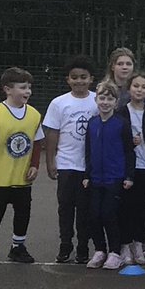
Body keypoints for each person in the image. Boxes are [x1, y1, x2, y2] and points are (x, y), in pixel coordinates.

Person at [0, 67, 45, 267]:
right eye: (23, 87)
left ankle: (18, 247)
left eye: (29, 87)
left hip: (22, 175)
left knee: (23, 211)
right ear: (7, 89)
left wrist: (35, 165)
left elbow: (37, 142)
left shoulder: (34, 115)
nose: (28, 91)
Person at [43, 55, 99, 264]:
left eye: (83, 77)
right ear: (68, 79)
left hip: (88, 166)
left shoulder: (97, 100)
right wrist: (50, 161)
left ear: (91, 79)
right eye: (74, 77)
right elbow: (52, 133)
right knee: (65, 206)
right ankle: (65, 244)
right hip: (66, 163)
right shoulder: (59, 103)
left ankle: (83, 247)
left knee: (84, 209)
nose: (79, 81)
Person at [82, 82, 135, 270]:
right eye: (102, 98)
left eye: (110, 99)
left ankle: (115, 252)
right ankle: (99, 249)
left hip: (115, 178)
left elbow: (129, 151)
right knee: (94, 215)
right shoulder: (92, 123)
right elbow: (88, 150)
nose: (105, 102)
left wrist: (129, 176)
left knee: (109, 214)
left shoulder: (121, 124)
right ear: (96, 100)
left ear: (116, 102)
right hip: (96, 178)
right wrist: (87, 174)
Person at [117, 72, 145, 266]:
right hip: (128, 168)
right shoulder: (121, 112)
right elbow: (116, 141)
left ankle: (139, 242)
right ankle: (124, 244)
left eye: (143, 87)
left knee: (143, 208)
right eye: (136, 86)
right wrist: (130, 143)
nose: (139, 90)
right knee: (126, 207)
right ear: (129, 88)